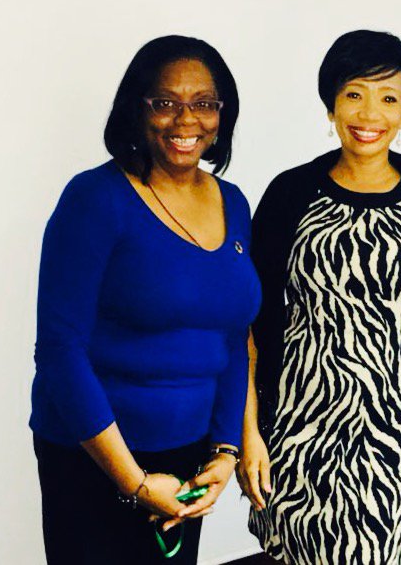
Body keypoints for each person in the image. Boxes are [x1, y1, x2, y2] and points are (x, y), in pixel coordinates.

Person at [239, 30, 401, 564]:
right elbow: (249, 326)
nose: (370, 113)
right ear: (331, 104)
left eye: (389, 98)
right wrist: (247, 433)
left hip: (391, 440)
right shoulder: (288, 194)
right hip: (294, 431)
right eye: (354, 94)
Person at [30, 35, 261, 564]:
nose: (187, 120)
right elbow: (60, 352)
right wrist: (132, 481)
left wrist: (225, 451)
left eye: (204, 103)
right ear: (138, 108)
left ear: (222, 114)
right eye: (166, 102)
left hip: (187, 459)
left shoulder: (233, 202)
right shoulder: (95, 199)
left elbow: (232, 337)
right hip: (93, 456)